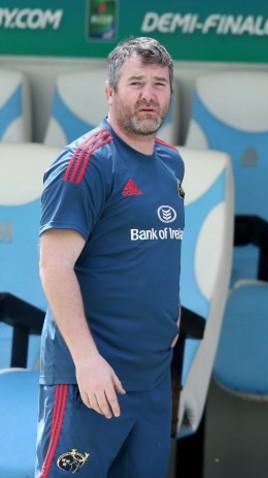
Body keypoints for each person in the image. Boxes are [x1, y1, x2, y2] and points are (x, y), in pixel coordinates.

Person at [36, 37, 184, 477]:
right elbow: (53, 266)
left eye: (159, 84)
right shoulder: (85, 163)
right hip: (91, 379)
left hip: (152, 379)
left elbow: (154, 247)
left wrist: (169, 314)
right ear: (110, 92)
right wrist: (86, 361)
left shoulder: (171, 163)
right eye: (136, 83)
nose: (148, 95)